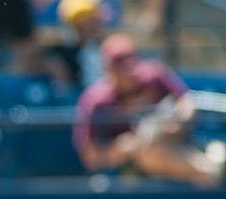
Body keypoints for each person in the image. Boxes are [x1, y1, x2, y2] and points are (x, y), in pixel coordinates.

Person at [72, 33, 224, 188]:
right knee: (147, 153)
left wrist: (178, 124)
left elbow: (186, 102)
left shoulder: (153, 76)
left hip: (175, 144)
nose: (127, 72)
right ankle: (213, 168)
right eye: (120, 66)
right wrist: (118, 149)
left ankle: (212, 167)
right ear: (108, 70)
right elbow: (89, 156)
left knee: (152, 146)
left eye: (130, 63)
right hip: (128, 171)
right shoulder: (96, 100)